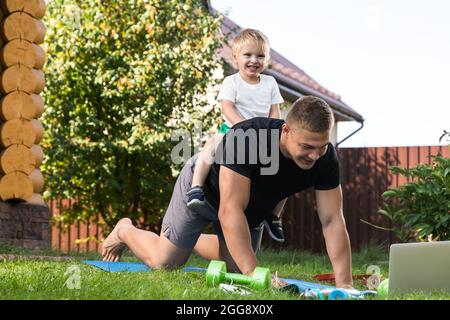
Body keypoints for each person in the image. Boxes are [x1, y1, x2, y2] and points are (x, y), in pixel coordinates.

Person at [102, 96, 355, 290]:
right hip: (206, 191)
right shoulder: (248, 138)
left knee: (235, 269)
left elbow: (332, 219)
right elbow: (229, 209)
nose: (315, 155)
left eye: (321, 147)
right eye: (307, 147)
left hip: (247, 207)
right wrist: (257, 275)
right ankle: (125, 229)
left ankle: (189, 241)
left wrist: (345, 285)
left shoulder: (325, 158)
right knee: (165, 263)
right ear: (286, 131)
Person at [186, 28, 286, 243]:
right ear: (236, 57)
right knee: (213, 143)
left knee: (285, 167)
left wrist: (273, 133)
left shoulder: (270, 83)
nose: (254, 60)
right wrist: (245, 127)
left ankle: (274, 216)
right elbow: (227, 108)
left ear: (266, 59)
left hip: (262, 137)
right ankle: (196, 188)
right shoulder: (232, 82)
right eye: (247, 55)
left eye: (260, 56)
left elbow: (274, 112)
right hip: (232, 131)